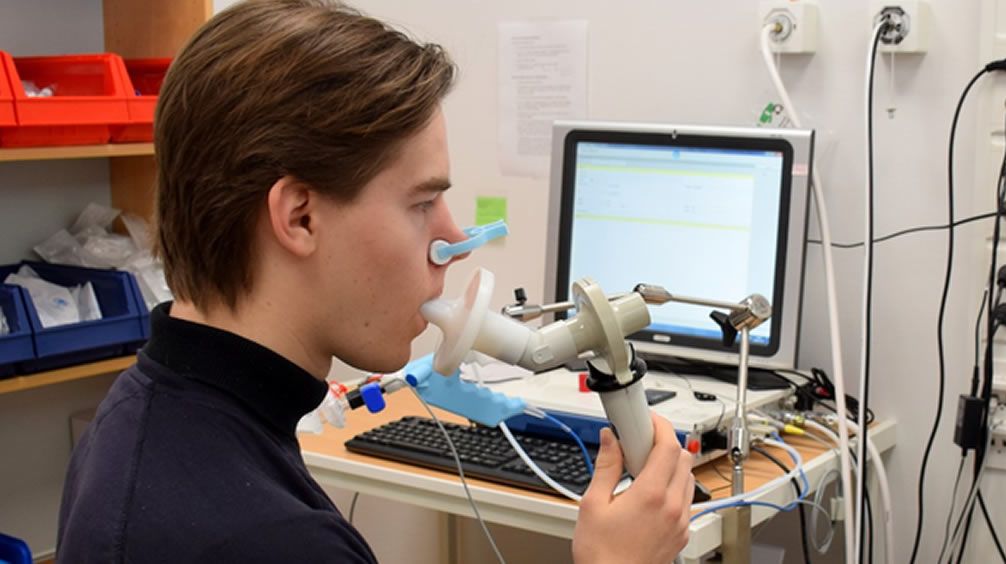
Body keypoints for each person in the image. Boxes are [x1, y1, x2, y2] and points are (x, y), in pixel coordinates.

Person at [56, 1, 695, 562]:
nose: (450, 244)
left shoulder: (131, 416)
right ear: (299, 216)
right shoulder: (272, 540)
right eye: (421, 204)